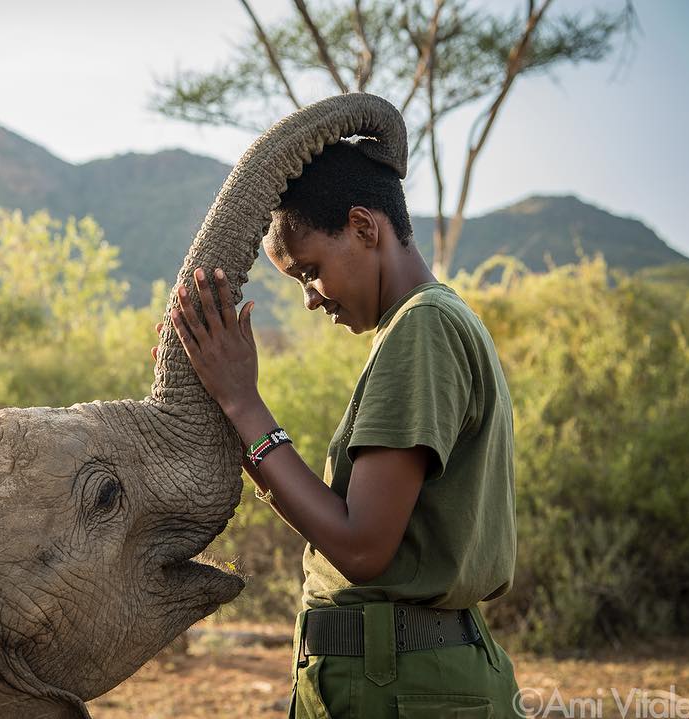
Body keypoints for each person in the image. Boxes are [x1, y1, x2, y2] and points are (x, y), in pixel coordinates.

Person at [158, 139, 522, 718]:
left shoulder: (423, 330)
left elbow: (361, 545)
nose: (309, 299)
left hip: (404, 687)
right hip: (396, 680)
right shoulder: (426, 324)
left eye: (311, 271)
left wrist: (243, 403)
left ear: (363, 227)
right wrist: (235, 409)